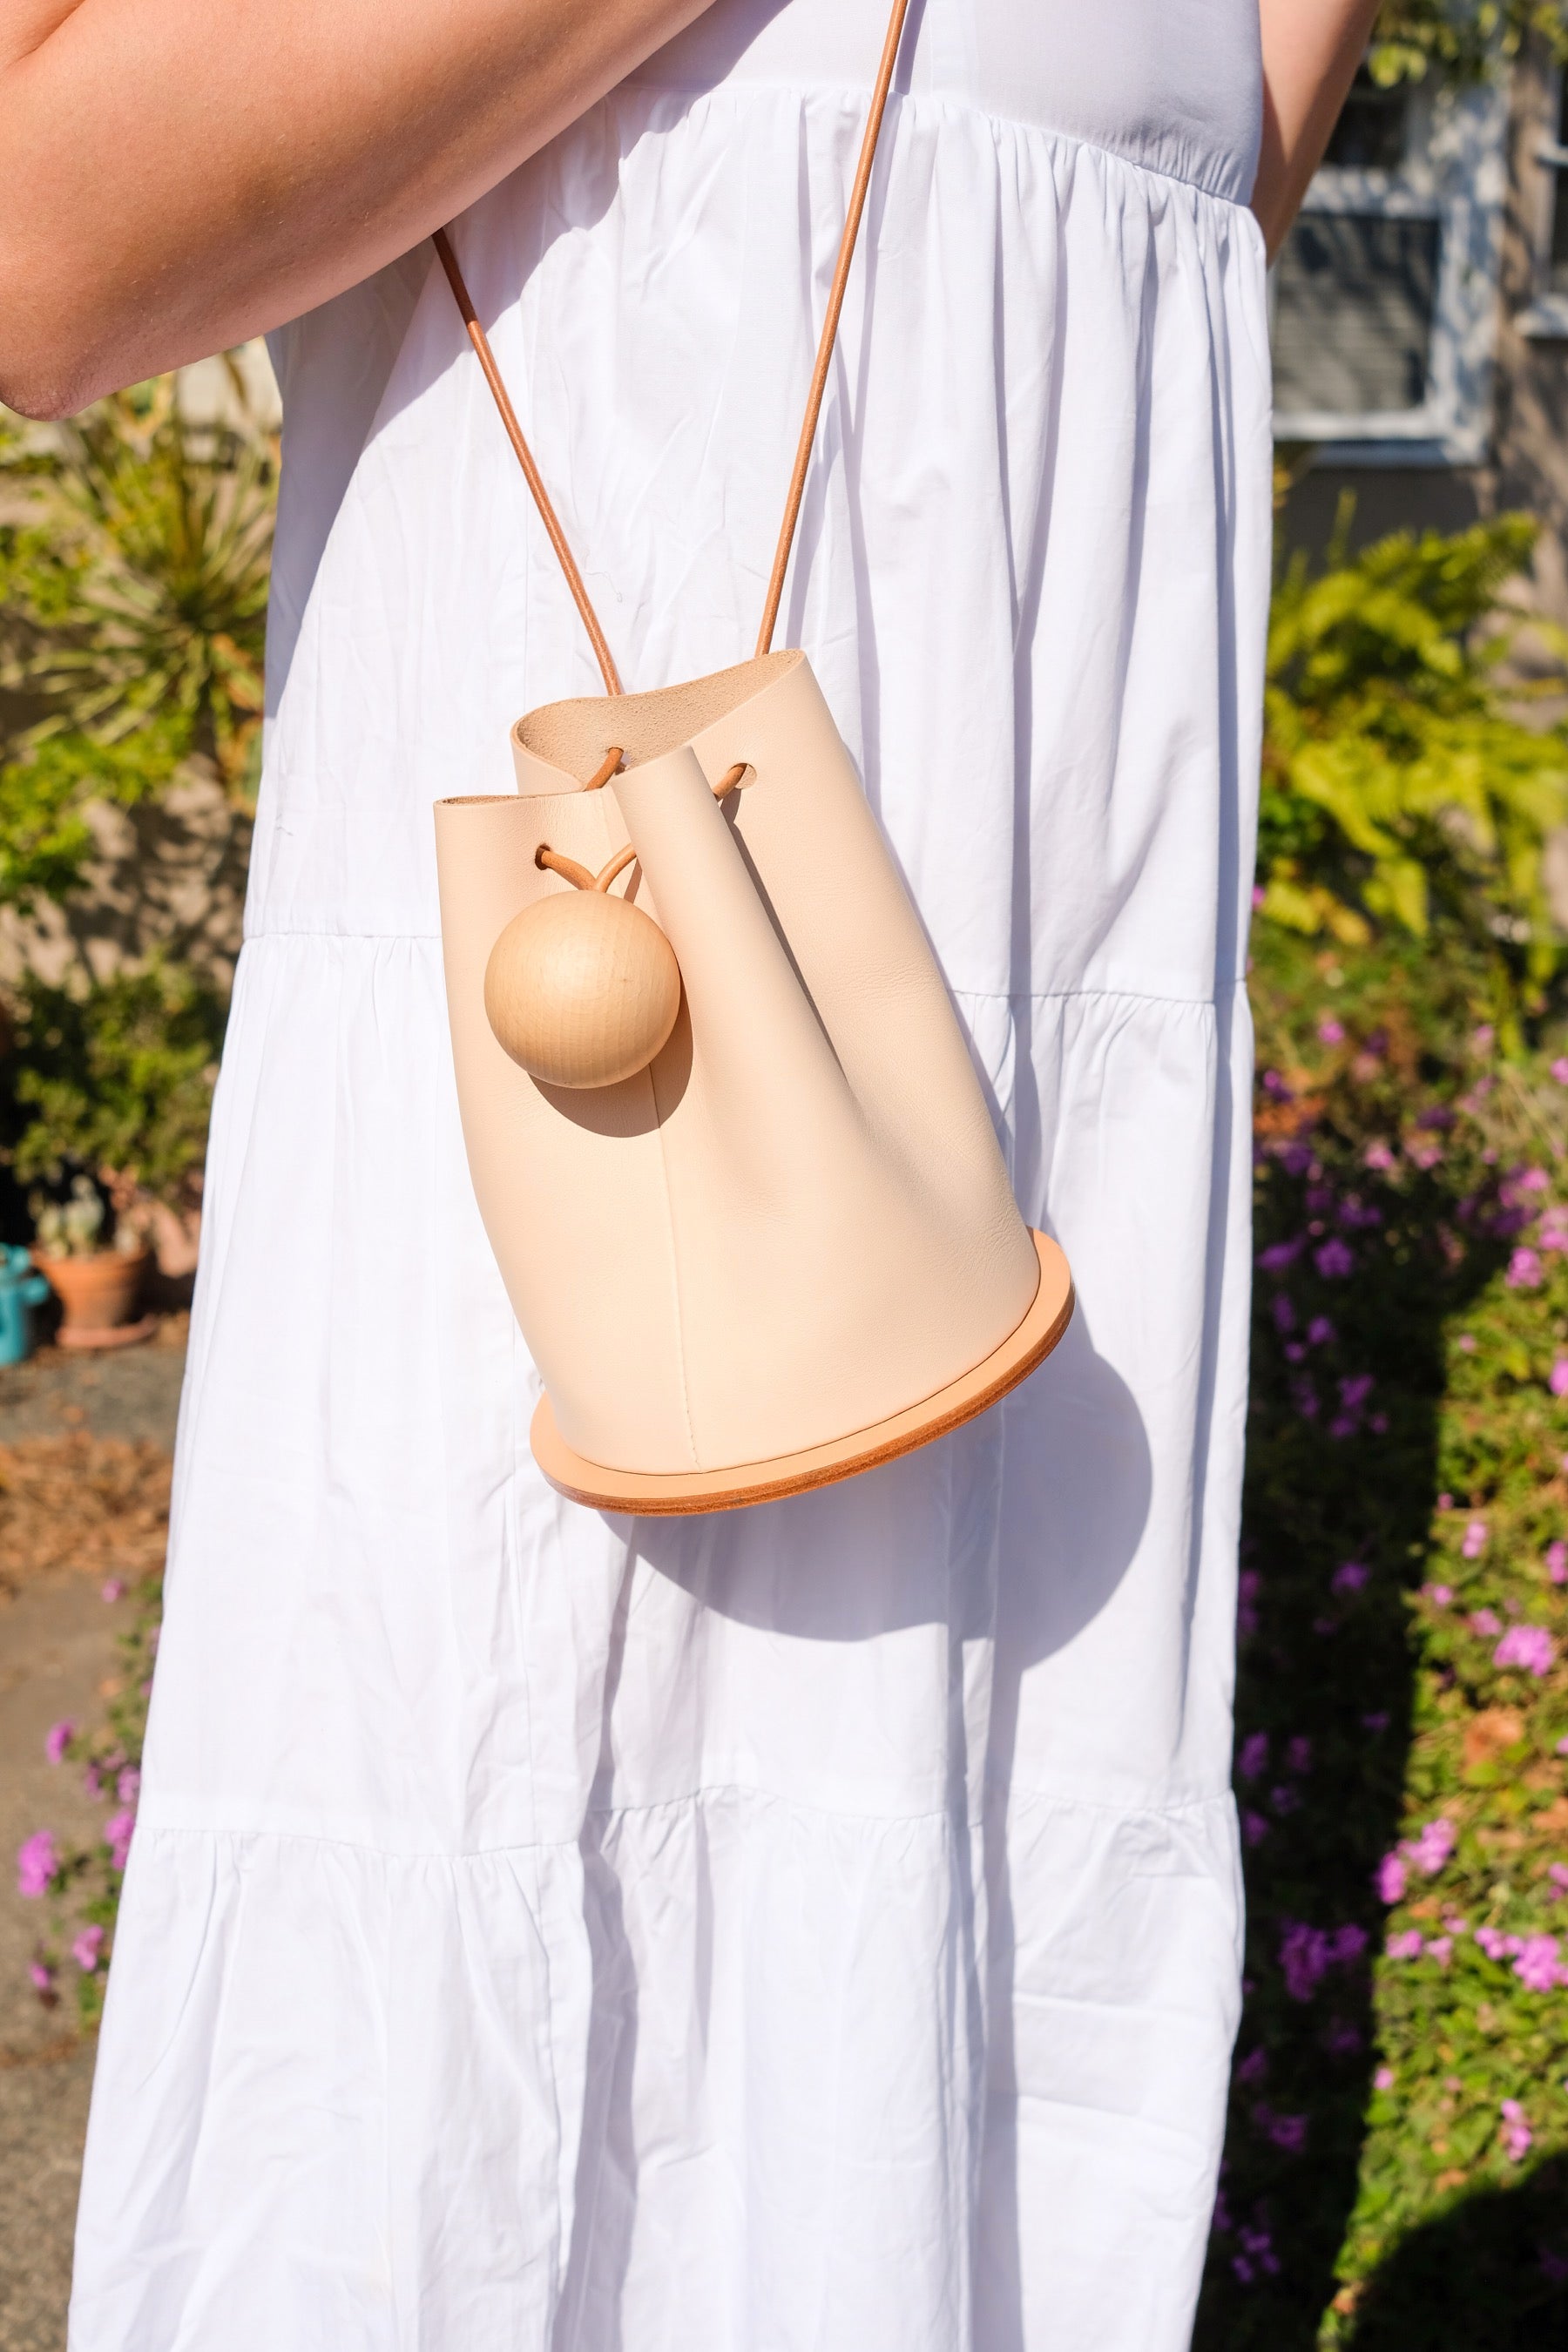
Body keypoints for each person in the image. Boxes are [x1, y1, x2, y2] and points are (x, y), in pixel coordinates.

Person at [1, 2, 1382, 2345]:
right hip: (562, 1021)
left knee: (957, 1945)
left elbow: (1165, 209)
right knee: (487, 1962)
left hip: (1040, 1015)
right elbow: (43, 243)